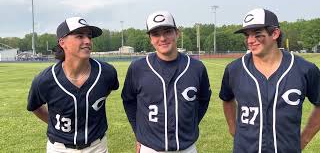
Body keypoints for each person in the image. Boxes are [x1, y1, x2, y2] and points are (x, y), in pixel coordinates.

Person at [219, 8, 320, 153]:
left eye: (257, 35)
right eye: (247, 36)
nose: (250, 40)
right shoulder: (234, 69)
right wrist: (233, 128)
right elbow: (227, 99)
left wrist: (303, 139)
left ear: (275, 33)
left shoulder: (304, 69)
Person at [121, 11, 211, 153]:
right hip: (150, 148)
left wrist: (190, 124)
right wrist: (138, 132)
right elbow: (129, 101)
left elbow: (204, 99)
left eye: (168, 31)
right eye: (156, 34)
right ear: (150, 39)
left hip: (187, 148)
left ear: (177, 33)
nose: (162, 38)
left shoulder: (196, 67)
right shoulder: (138, 68)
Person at [27, 17, 119, 153]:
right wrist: (55, 122)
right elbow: (35, 107)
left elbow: (106, 91)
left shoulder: (106, 72)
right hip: (59, 148)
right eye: (79, 36)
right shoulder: (45, 79)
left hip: (97, 147)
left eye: (89, 36)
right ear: (62, 42)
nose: (87, 41)